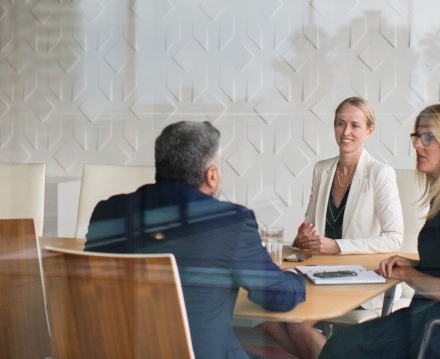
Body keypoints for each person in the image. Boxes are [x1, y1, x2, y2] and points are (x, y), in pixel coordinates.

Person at [84, 120, 306, 359]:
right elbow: (275, 296)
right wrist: (297, 277)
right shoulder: (232, 222)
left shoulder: (107, 212)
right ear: (211, 175)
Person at [318, 102, 440, 359]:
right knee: (343, 345)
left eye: (428, 137)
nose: (416, 145)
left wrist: (406, 272)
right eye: (417, 136)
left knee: (341, 348)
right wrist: (411, 262)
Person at [264, 97, 404, 359]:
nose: (346, 132)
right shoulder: (322, 170)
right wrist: (302, 238)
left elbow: (394, 238)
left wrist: (337, 245)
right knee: (272, 324)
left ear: (369, 130)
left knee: (294, 323)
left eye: (354, 125)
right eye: (340, 124)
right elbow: (309, 228)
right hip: (321, 273)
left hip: (360, 277)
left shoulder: (380, 173)